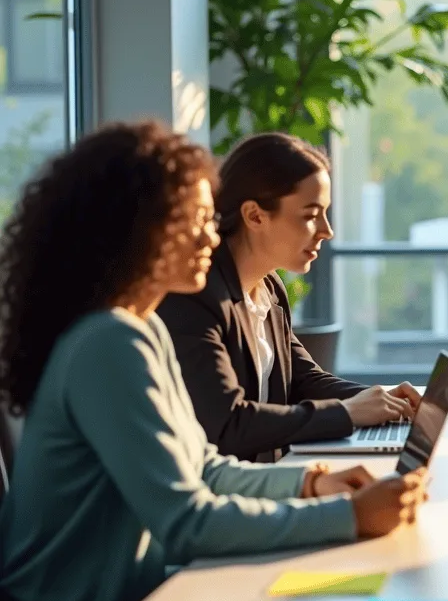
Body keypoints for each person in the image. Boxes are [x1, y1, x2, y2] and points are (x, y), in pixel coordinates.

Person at [0, 122, 428, 601]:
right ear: (142, 227)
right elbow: (186, 521)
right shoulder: (108, 344)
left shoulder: (141, 330)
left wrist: (313, 485)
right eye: (199, 218)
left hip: (135, 599)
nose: (213, 232)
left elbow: (204, 468)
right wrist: (349, 516)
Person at [158, 133, 421, 462]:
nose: (327, 230)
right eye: (311, 215)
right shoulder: (196, 297)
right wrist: (348, 413)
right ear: (255, 216)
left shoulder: (269, 288)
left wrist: (382, 400)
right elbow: (226, 424)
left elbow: (302, 379)